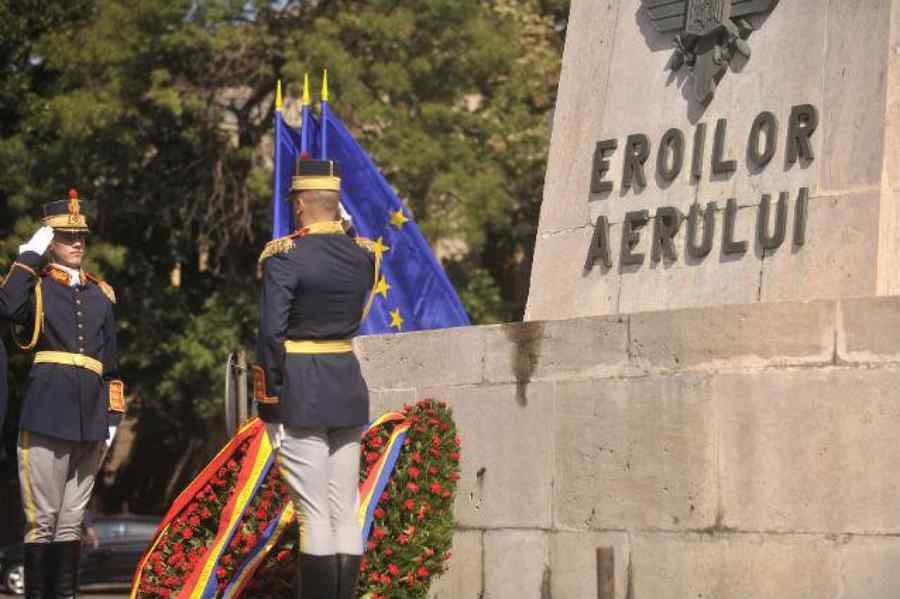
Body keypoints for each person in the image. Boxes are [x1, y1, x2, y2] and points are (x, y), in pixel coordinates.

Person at [255, 159, 376, 599]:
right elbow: (356, 317)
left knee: (313, 515)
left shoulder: (286, 256)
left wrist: (268, 399)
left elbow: (271, 332)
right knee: (345, 510)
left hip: (302, 390)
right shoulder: (363, 256)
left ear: (301, 205)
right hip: (346, 387)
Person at [0, 189, 124, 599]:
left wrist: (111, 421)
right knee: (43, 520)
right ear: (50, 242)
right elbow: (6, 305)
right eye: (66, 237)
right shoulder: (34, 287)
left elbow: (112, 368)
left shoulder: (100, 294)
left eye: (81, 237)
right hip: (47, 412)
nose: (77, 244)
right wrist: (28, 257)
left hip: (90, 420)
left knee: (71, 522)